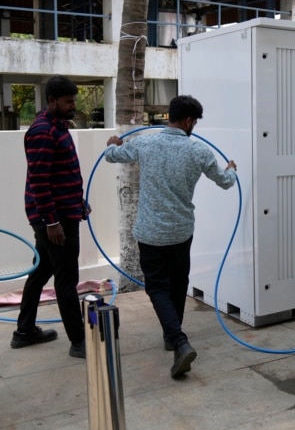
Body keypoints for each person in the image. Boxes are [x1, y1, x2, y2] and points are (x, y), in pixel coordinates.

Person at [104, 95, 237, 378]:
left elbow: (112, 156)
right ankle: (172, 335)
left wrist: (113, 145)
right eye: (195, 122)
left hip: (150, 233)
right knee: (178, 283)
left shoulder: (144, 143)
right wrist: (232, 171)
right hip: (180, 232)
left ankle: (177, 339)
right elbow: (225, 183)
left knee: (157, 287)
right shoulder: (199, 152)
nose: (195, 127)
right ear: (188, 121)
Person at [11, 75, 89, 359]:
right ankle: (80, 341)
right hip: (55, 220)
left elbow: (61, 174)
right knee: (66, 279)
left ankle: (24, 331)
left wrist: (78, 201)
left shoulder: (58, 127)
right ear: (52, 101)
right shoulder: (43, 132)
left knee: (41, 271)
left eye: (73, 101)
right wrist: (52, 222)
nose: (72, 106)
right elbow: (39, 182)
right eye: (68, 102)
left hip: (61, 213)